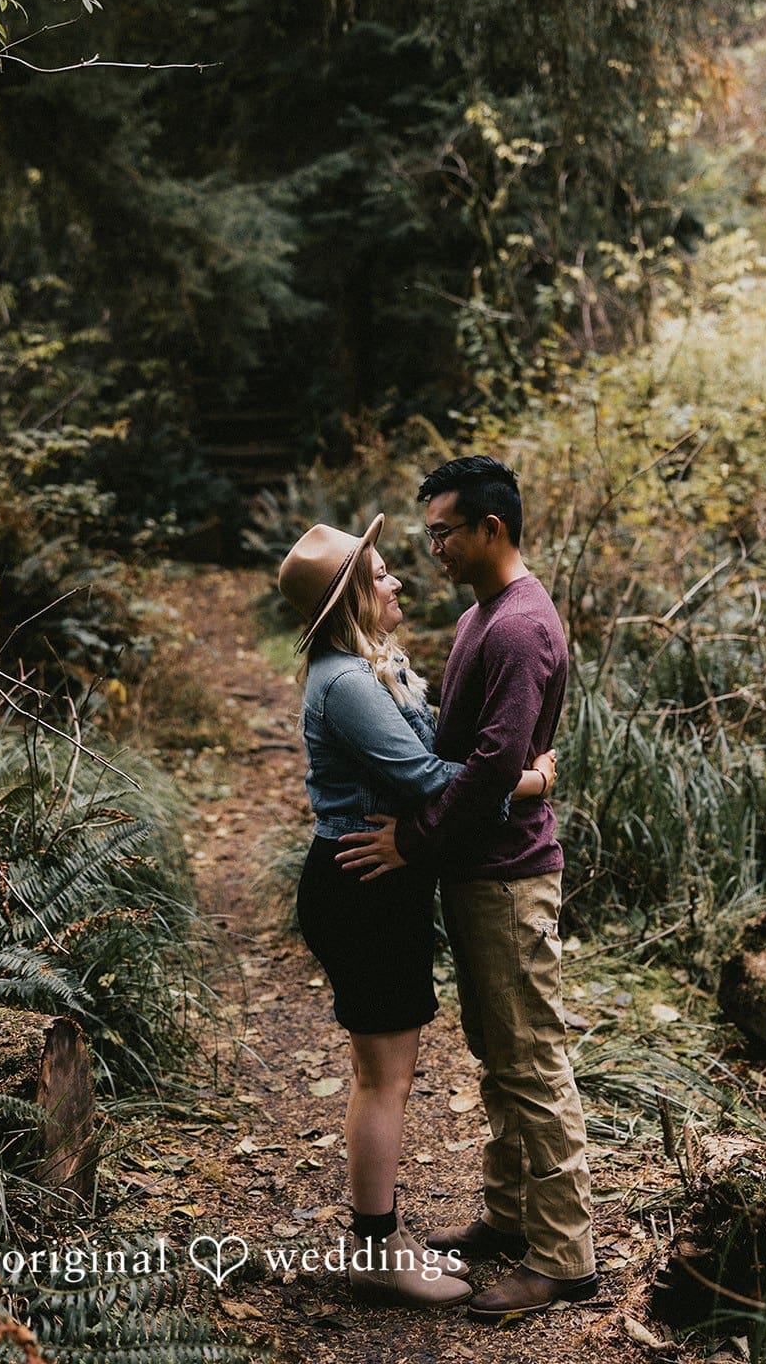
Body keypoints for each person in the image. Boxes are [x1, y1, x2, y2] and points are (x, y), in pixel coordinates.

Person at [336, 457, 598, 1321]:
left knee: (532, 1062)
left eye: (444, 532)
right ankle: (511, 1214)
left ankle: (564, 1257)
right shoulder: (484, 613)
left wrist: (412, 842)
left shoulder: (521, 626)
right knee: (497, 1050)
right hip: (479, 872)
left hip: (510, 877)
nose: (433, 548)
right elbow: (477, 751)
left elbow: (492, 768)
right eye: (429, 533)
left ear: (492, 528)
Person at [277, 513, 555, 1309]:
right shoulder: (348, 684)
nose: (397, 581)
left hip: (379, 882)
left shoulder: (373, 669)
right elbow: (432, 778)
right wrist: (533, 781)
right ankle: (374, 1252)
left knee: (386, 1074)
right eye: (381, 575)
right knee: (383, 1079)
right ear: (349, 601)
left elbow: (434, 737)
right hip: (361, 884)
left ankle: (383, 1238)